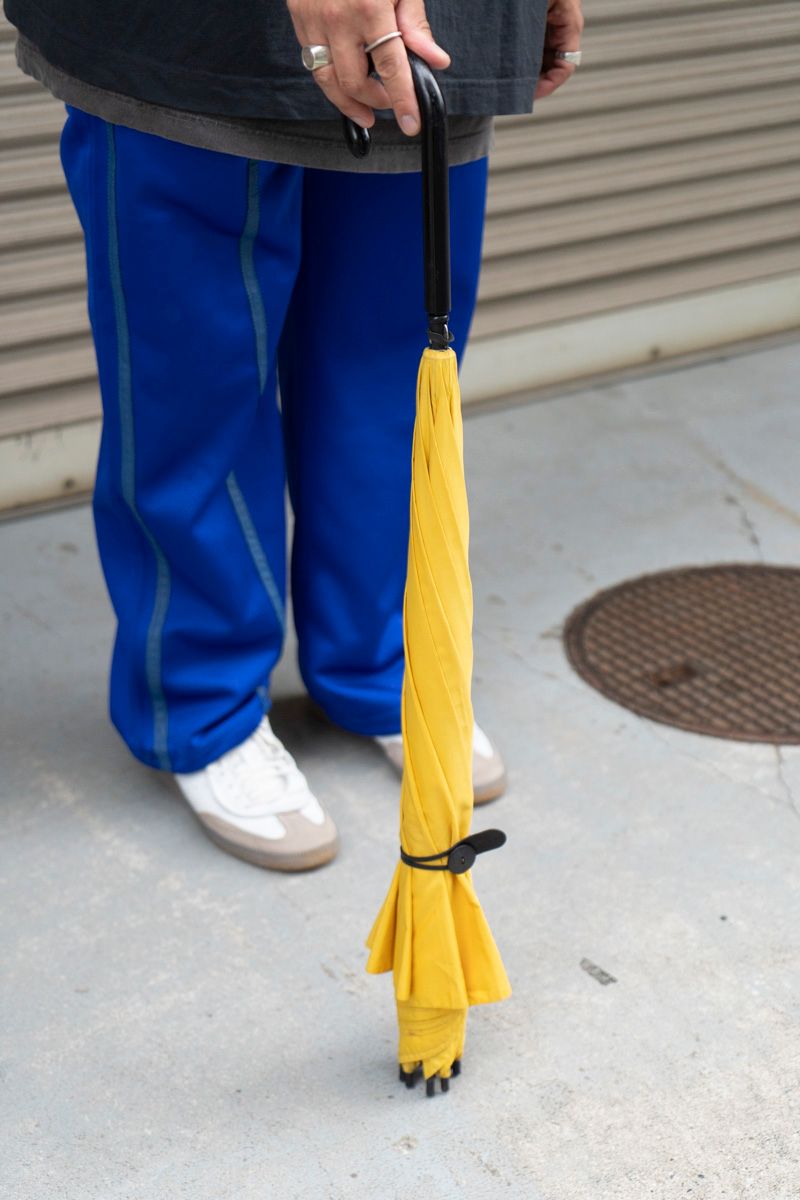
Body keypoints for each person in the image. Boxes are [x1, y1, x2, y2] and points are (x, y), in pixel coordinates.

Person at [4, 0, 583, 872]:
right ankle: (205, 706)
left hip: (438, 27)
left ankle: (383, 663)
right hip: (196, 36)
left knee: (394, 385)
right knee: (192, 390)